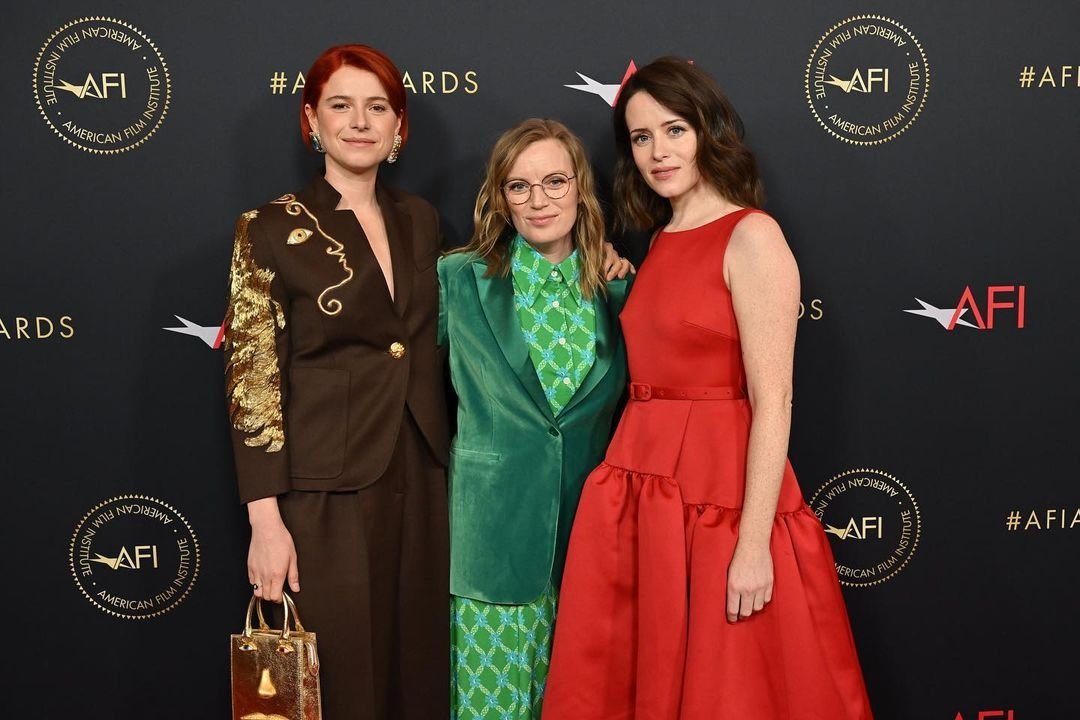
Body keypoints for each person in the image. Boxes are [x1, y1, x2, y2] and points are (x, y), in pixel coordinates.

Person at [543, 58, 874, 719]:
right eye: (640, 138)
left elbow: (773, 399)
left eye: (674, 130)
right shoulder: (660, 238)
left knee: (730, 689)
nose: (658, 152)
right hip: (642, 486)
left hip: (718, 496)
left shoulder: (752, 236)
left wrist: (753, 543)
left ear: (707, 130)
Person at [223, 44, 450, 720]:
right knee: (341, 681)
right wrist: (266, 521)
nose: (360, 122)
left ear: (399, 127)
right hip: (324, 489)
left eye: (377, 107)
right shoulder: (266, 228)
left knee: (419, 673)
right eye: (341, 106)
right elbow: (251, 379)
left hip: (423, 470)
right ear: (311, 122)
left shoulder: (422, 219)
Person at [438, 119, 632, 719]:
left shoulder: (618, 289)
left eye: (554, 181)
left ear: (580, 188)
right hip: (490, 545)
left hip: (589, 548)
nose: (539, 200)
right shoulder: (457, 279)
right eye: (519, 187)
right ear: (499, 198)